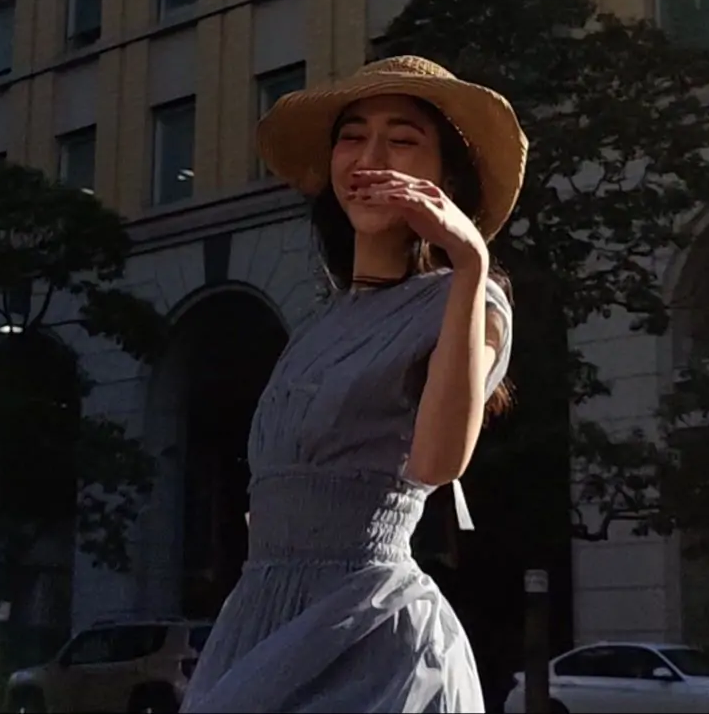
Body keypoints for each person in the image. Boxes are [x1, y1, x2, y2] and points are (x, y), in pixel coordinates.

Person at [180, 56, 526, 713]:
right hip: (260, 618)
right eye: (352, 136)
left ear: (446, 177)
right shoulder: (316, 326)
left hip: (372, 636)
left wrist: (470, 261)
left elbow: (437, 463)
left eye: (402, 140)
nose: (370, 158)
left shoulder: (469, 301)